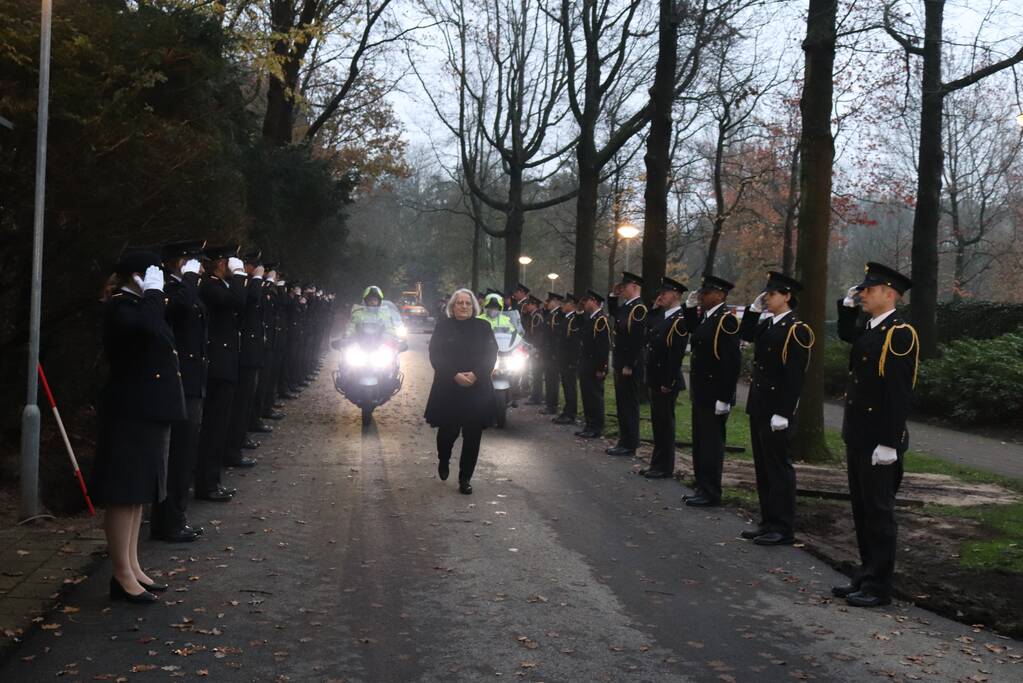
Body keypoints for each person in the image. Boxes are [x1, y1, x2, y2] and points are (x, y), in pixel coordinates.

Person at [92, 249, 186, 603]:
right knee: (124, 493)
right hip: (129, 410)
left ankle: (131, 565)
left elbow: (159, 332)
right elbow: (149, 330)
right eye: (152, 273)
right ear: (136, 276)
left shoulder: (139, 305)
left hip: (146, 408)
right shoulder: (121, 307)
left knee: (138, 494)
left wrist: (152, 297)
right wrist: (153, 295)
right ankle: (121, 575)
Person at [832, 262, 918, 608]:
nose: (862, 294)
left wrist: (888, 442)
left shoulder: (899, 334)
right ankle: (866, 575)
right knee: (863, 511)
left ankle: (879, 586)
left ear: (889, 293)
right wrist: (846, 305)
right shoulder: (871, 328)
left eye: (868, 289)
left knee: (880, 514)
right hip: (859, 435)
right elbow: (847, 335)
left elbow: (898, 393)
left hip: (879, 440)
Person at [737, 272, 814, 545]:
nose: (767, 298)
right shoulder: (769, 324)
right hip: (760, 405)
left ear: (787, 296)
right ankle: (767, 521)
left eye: (771, 294)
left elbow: (794, 377)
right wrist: (753, 310)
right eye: (766, 294)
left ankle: (782, 527)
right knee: (763, 467)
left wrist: (784, 412)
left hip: (776, 409)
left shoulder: (797, 329)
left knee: (779, 468)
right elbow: (746, 334)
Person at [151, 240, 207, 543]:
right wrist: (189, 278)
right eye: (191, 261)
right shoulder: (169, 288)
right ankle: (168, 520)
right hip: (179, 379)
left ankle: (177, 516)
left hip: (192, 378)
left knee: (185, 452)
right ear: (178, 262)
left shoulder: (185, 287)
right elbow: (181, 307)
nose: (198, 267)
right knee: (176, 455)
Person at [424, 289, 498, 495]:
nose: (464, 306)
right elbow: (435, 355)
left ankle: (465, 478)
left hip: (477, 389)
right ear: (452, 306)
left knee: (473, 437)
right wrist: (454, 375)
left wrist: (475, 375)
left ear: (474, 307)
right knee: (447, 433)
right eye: (460, 303)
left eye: (468, 303)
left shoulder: (483, 327)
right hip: (448, 387)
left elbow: (491, 355)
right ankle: (444, 458)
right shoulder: (443, 326)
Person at [682, 274, 741, 507]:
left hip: (715, 393)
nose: (702, 296)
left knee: (711, 446)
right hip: (702, 391)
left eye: (706, 293)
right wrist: (689, 308)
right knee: (700, 443)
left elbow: (731, 362)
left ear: (720, 295)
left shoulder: (726, 320)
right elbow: (692, 331)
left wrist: (725, 398)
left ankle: (711, 491)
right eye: (701, 292)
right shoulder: (707, 317)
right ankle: (701, 486)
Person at [195, 245, 247, 502]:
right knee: (213, 428)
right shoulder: (210, 287)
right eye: (229, 262)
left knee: (218, 426)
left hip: (224, 363)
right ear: (220, 264)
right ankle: (207, 484)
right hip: (217, 365)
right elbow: (238, 301)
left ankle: (212, 480)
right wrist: (240, 276)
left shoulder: (220, 286)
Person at [639, 277, 689, 479]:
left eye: (665, 293)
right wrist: (653, 309)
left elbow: (676, 354)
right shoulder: (663, 316)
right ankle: (656, 463)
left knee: (665, 425)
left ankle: (665, 467)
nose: (661, 296)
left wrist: (668, 382)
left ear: (676, 294)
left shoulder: (679, 319)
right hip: (656, 378)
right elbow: (647, 335)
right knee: (658, 424)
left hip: (666, 380)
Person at [224, 248, 266, 468]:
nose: (257, 269)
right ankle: (233, 449)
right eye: (253, 265)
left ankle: (238, 443)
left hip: (250, 351)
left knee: (244, 404)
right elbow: (250, 300)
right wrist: (256, 279)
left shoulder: (244, 283)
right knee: (238, 407)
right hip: (242, 354)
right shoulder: (240, 284)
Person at [607, 272, 648, 457]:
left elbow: (637, 341)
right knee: (622, 404)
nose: (622, 290)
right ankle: (624, 440)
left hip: (629, 365)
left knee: (629, 405)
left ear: (634, 286)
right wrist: (613, 296)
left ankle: (630, 443)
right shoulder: (627, 307)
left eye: (624, 287)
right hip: (621, 363)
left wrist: (629, 364)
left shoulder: (638, 309)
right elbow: (615, 313)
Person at [576, 290, 611, 439]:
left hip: (594, 364)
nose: (584, 303)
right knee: (587, 395)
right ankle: (589, 424)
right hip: (586, 363)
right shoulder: (591, 318)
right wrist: (578, 312)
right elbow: (581, 330)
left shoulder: (601, 320)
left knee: (595, 396)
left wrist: (601, 367)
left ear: (594, 301)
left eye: (587, 300)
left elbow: (603, 346)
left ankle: (596, 426)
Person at [553, 293, 581, 425]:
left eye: (565, 304)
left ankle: (571, 413)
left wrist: (572, 361)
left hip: (569, 360)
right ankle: (567, 411)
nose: (562, 306)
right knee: (566, 386)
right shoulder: (566, 318)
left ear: (571, 305)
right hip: (563, 359)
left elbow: (574, 343)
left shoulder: (573, 320)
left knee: (570, 387)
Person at [543, 292, 565, 415]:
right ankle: (549, 404)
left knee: (552, 380)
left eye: (550, 301)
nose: (547, 303)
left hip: (553, 353)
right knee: (549, 379)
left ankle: (552, 405)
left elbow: (556, 336)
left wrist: (554, 352)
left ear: (556, 301)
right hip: (548, 352)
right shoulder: (550, 314)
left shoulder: (558, 315)